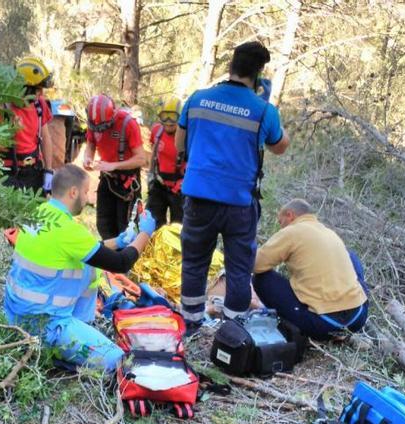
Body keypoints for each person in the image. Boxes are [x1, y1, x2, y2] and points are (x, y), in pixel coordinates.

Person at [175, 41, 290, 330]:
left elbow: (180, 145)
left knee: (194, 264)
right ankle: (232, 332)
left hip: (199, 199)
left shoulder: (197, 99)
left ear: (231, 65)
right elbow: (280, 147)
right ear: (258, 74)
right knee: (239, 270)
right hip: (239, 204)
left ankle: (189, 327)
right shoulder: (264, 111)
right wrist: (264, 101)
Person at [3, 164, 157, 371]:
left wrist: (118, 242)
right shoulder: (69, 230)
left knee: (88, 263)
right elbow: (121, 263)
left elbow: (81, 250)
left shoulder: (39, 213)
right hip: (46, 325)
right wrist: (144, 234)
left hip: (14, 315)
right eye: (85, 192)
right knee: (121, 364)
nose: (87, 199)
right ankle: (63, 345)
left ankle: (79, 328)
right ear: (73, 192)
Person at [252, 199, 369, 340]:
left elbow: (255, 265)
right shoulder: (330, 233)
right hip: (358, 318)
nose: (281, 227)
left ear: (290, 215)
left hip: (324, 325)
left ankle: (300, 331)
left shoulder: (292, 231)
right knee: (350, 255)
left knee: (260, 279)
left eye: (280, 222)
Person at [82, 94, 147, 239]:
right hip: (107, 178)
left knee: (125, 228)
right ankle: (110, 256)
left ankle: (125, 258)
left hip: (127, 183)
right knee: (103, 224)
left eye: (103, 127)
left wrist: (114, 165)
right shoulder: (94, 123)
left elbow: (141, 158)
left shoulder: (127, 123)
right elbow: (91, 144)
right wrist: (88, 157)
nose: (100, 131)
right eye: (96, 128)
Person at [0, 56, 55, 194]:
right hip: (10, 173)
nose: (41, 93)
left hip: (34, 171)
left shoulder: (40, 105)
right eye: (38, 89)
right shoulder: (1, 107)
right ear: (24, 88)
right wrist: (9, 129)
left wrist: (49, 170)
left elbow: (45, 138)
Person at [146, 96, 187, 228]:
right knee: (152, 225)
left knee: (178, 228)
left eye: (173, 117)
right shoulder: (157, 131)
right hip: (159, 185)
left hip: (179, 189)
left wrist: (182, 184)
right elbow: (154, 152)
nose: (169, 121)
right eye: (165, 116)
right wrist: (151, 174)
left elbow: (193, 162)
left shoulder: (187, 136)